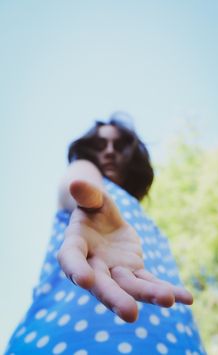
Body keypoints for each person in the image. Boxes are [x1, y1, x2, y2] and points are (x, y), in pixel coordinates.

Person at [5, 116, 206, 354]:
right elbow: (79, 180)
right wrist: (92, 204)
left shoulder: (150, 223)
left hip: (174, 339)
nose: (109, 152)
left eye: (119, 146)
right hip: (69, 338)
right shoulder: (88, 175)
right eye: (99, 146)